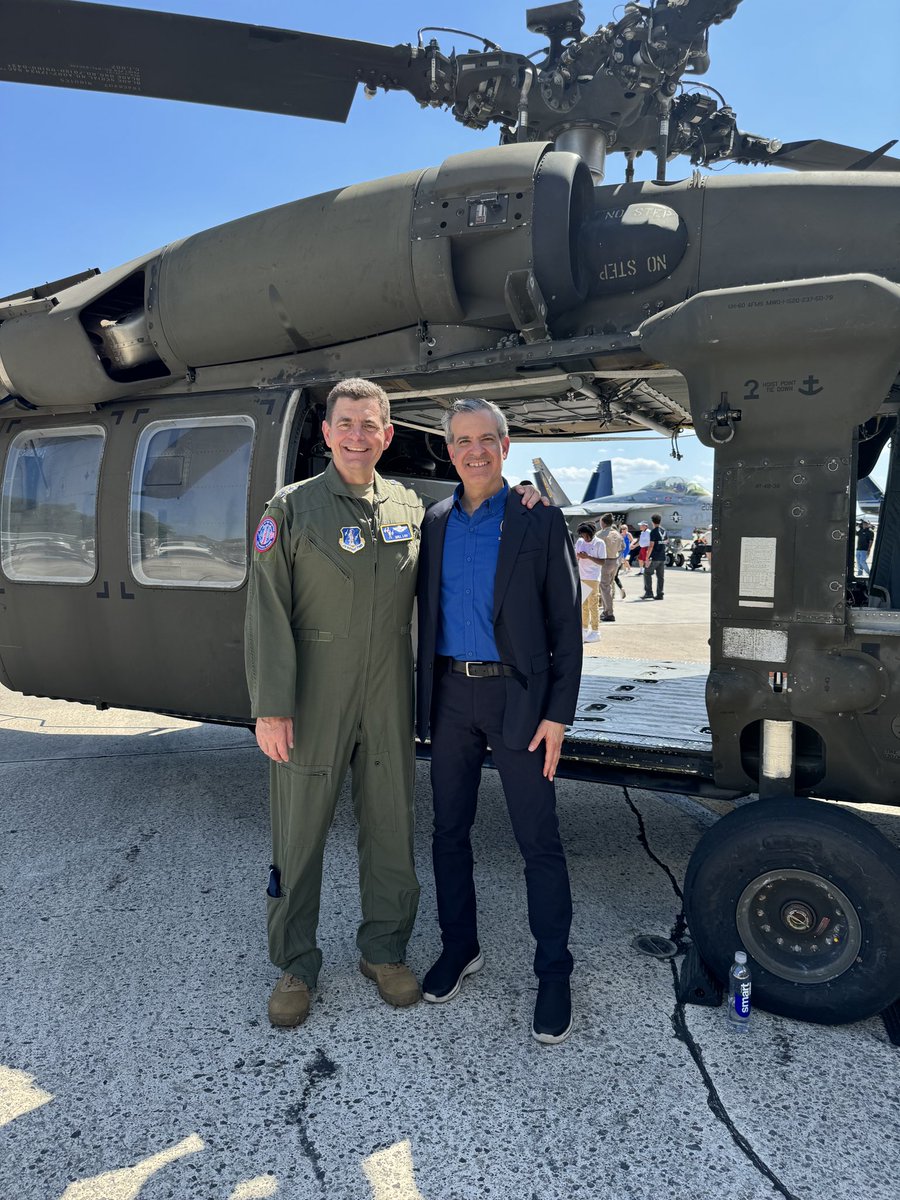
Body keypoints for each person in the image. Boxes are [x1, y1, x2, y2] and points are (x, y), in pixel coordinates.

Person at [245, 377, 547, 1029]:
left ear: (388, 436)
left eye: (371, 425)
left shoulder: (411, 509)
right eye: (345, 423)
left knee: (391, 828)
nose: (358, 435)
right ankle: (295, 962)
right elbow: (265, 613)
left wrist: (524, 495)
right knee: (297, 836)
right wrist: (271, 706)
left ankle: (383, 951)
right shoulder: (290, 508)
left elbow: (474, 515)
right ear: (326, 433)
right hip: (311, 696)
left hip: (387, 693)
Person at [415, 397, 583, 1045]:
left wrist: (558, 716)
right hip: (451, 698)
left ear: (505, 447)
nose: (474, 450)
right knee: (447, 833)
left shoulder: (537, 520)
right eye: (462, 440)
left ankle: (554, 970)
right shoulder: (434, 521)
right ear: (449, 449)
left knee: (538, 841)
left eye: (487, 439)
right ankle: (461, 948)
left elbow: (566, 624)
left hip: (519, 701)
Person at [574, 522, 606, 642]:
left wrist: (588, 557)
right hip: (581, 576)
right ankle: (584, 628)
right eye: (583, 535)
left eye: (587, 535)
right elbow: (575, 556)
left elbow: (602, 562)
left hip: (593, 577)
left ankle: (595, 631)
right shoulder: (580, 542)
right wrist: (578, 556)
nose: (585, 538)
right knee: (583, 605)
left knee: (593, 605)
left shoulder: (599, 543)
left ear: (592, 533)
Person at [597, 513, 624, 622]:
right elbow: (622, 547)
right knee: (609, 586)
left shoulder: (600, 534)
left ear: (603, 522)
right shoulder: (617, 534)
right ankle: (607, 609)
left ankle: (608, 612)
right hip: (615, 561)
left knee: (604, 588)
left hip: (605, 562)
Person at [641, 513, 667, 600]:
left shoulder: (653, 532)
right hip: (662, 557)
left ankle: (649, 592)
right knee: (660, 577)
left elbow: (651, 545)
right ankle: (660, 594)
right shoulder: (664, 531)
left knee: (647, 573)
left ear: (653, 522)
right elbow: (666, 542)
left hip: (654, 557)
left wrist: (647, 557)